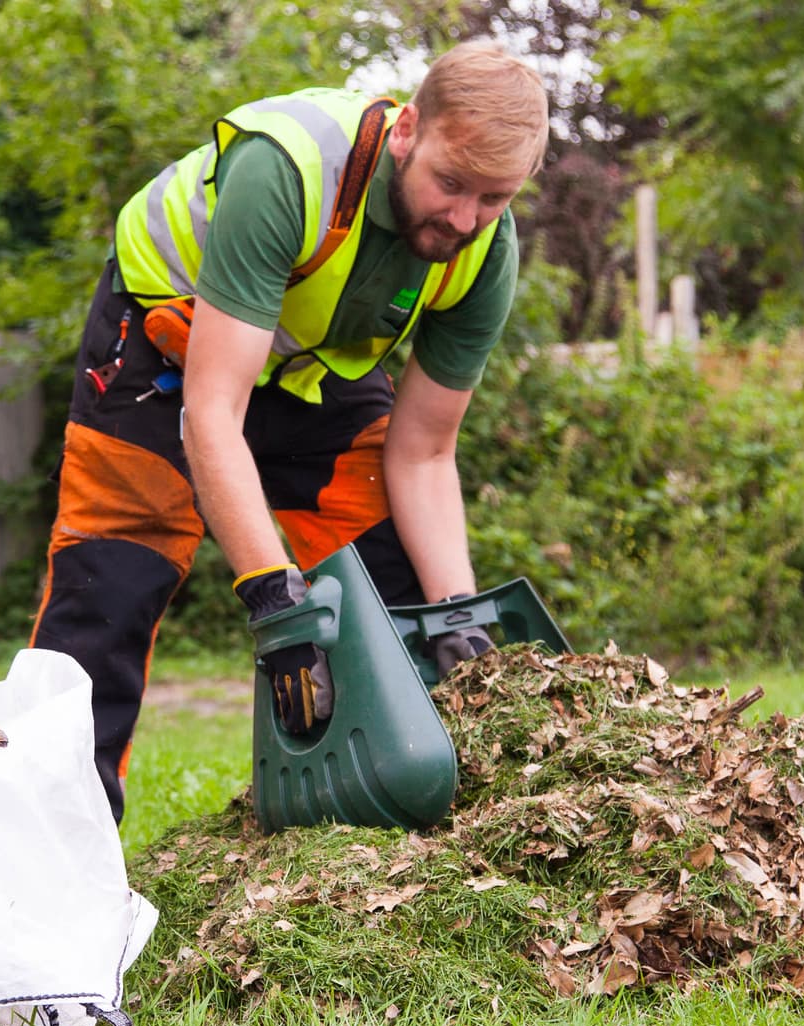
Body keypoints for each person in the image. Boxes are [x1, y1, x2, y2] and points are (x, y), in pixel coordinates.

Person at [30, 42, 551, 822]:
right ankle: (48, 848)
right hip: (162, 346)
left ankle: (400, 849)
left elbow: (425, 450)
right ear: (407, 130)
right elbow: (213, 413)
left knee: (397, 600)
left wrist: (456, 619)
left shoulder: (484, 253)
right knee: (110, 589)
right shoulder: (289, 170)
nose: (465, 219)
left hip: (308, 372)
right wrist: (279, 604)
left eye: (494, 199)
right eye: (451, 184)